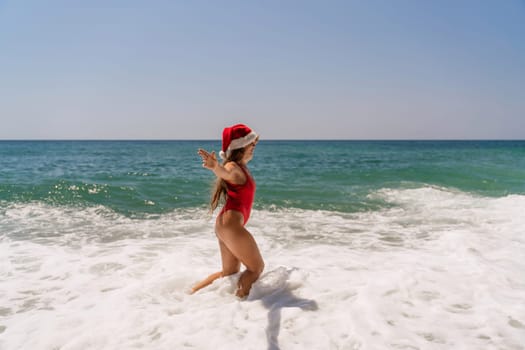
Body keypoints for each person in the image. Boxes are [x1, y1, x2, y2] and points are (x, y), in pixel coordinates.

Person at [192, 123, 264, 298]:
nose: (254, 148)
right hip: (231, 226)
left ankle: (190, 295)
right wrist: (216, 168)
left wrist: (218, 168)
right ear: (240, 146)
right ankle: (239, 306)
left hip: (225, 225)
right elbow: (226, 173)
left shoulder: (241, 166)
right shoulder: (233, 167)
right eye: (251, 144)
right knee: (256, 268)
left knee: (229, 273)